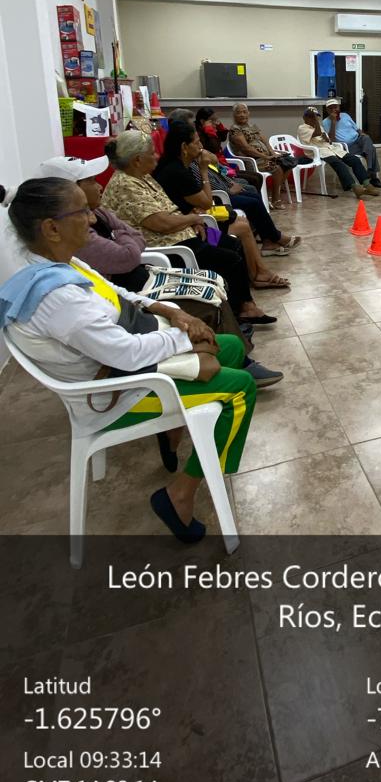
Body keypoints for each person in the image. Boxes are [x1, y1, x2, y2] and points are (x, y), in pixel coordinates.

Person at [0, 177, 257, 543]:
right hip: (117, 392)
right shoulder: (58, 299)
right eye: (83, 212)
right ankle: (180, 494)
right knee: (241, 389)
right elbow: (127, 353)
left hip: (121, 364)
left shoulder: (58, 264)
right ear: (52, 229)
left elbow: (116, 292)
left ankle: (177, 429)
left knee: (228, 346)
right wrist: (185, 336)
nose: (92, 219)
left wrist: (170, 311)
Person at [37, 155, 284, 388]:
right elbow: (131, 251)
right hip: (167, 252)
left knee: (225, 256)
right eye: (90, 181)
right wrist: (190, 214)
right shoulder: (156, 177)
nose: (156, 156)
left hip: (176, 244)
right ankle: (237, 340)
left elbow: (135, 236)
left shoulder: (116, 200)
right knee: (224, 263)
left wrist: (128, 236)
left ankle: (242, 319)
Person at [101, 131, 276, 327]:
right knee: (230, 259)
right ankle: (243, 309)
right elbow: (161, 224)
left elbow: (170, 209)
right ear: (137, 160)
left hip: (187, 231)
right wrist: (192, 218)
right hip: (172, 245)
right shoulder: (126, 185)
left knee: (231, 243)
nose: (156, 156)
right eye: (152, 153)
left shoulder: (143, 177)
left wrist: (192, 220)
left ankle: (242, 303)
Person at [152, 123, 292, 290]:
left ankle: (260, 272)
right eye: (197, 142)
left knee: (242, 223)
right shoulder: (178, 171)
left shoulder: (179, 166)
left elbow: (195, 202)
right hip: (192, 231)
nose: (201, 146)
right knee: (239, 231)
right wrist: (204, 170)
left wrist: (195, 210)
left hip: (194, 222)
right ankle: (257, 276)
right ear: (184, 147)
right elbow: (206, 202)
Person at [168, 108, 299, 256]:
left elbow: (213, 169)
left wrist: (226, 181)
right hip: (205, 217)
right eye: (192, 126)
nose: (200, 145)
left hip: (208, 208)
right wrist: (224, 186)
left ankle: (267, 242)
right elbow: (206, 201)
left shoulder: (190, 155)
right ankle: (271, 240)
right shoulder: (181, 167)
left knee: (251, 200)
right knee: (250, 207)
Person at [297, 108, 380, 198]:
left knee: (354, 159)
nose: (315, 118)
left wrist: (327, 139)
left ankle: (367, 184)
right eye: (312, 116)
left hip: (332, 149)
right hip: (319, 152)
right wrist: (316, 121)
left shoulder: (319, 126)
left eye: (316, 116)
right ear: (305, 118)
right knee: (339, 164)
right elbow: (317, 133)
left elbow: (329, 141)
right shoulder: (302, 128)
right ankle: (354, 187)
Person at [227, 103, 296, 209]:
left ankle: (274, 194)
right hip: (252, 160)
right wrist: (265, 157)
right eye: (239, 112)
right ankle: (275, 200)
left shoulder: (252, 126)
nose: (242, 115)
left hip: (265, 158)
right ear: (234, 115)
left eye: (244, 112)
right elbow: (246, 148)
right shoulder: (235, 130)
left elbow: (264, 140)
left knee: (288, 164)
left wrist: (272, 152)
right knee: (277, 168)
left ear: (249, 113)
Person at [322, 99, 381, 188]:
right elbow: (331, 139)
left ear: (339, 107)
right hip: (346, 147)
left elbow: (357, 128)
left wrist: (361, 133)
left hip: (358, 140)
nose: (333, 110)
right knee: (372, 149)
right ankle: (373, 176)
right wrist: (333, 122)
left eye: (335, 107)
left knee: (367, 138)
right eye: (330, 108)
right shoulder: (325, 122)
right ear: (327, 110)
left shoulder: (345, 116)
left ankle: (370, 170)